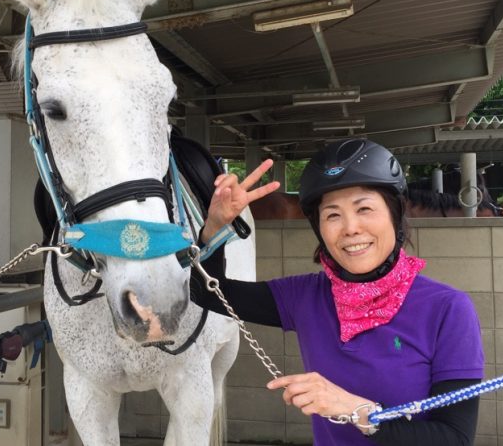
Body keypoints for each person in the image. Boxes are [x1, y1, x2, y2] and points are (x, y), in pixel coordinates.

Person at [192, 139, 484, 445]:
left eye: (364, 209)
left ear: (394, 214)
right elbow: (208, 292)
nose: (350, 228)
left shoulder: (448, 309)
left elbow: (454, 438)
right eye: (333, 215)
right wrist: (215, 228)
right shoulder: (305, 296)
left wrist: (356, 409)